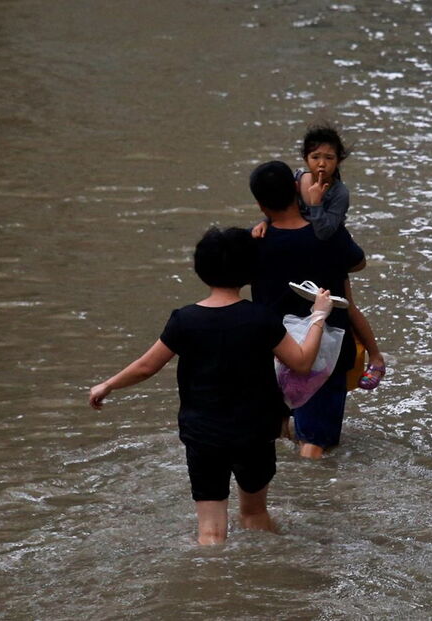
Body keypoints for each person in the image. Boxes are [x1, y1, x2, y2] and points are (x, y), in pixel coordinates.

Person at [88, 226, 334, 545]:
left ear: (201, 270)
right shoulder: (260, 318)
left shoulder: (185, 320)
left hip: (204, 432)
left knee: (210, 531)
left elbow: (147, 366)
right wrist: (318, 316)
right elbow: (301, 362)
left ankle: (211, 587)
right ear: (249, 271)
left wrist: (107, 385)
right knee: (254, 514)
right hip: (254, 432)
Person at [253, 123, 386, 389]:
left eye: (329, 158)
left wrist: (314, 203)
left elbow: (325, 231)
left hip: (330, 238)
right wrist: (266, 221)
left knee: (348, 306)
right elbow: (280, 206)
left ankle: (376, 357)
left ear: (339, 161)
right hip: (309, 247)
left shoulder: (339, 192)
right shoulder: (300, 179)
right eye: (316, 158)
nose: (322, 164)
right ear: (305, 159)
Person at [248, 160, 362, 459]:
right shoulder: (328, 236)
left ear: (260, 204)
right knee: (315, 441)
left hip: (271, 350)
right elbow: (358, 262)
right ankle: (310, 499)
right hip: (325, 350)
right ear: (297, 189)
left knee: (275, 432)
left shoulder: (255, 241)